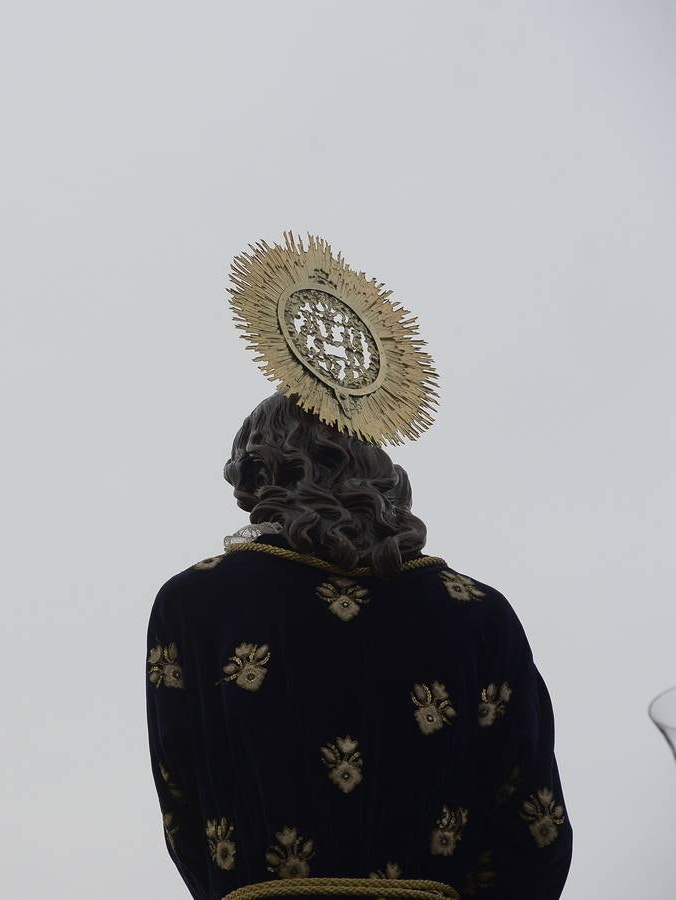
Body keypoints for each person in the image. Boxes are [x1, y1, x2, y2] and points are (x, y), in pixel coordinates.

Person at [146, 236, 569, 899]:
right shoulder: (477, 614)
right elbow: (533, 826)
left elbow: (184, 808)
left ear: (266, 473)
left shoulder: (195, 603)